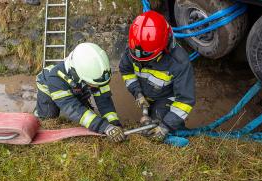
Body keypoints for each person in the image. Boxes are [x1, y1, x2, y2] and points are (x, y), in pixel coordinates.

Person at [119, 11, 195, 142]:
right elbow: (126, 70)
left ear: (164, 48)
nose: (141, 63)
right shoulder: (136, 48)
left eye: (148, 60)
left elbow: (185, 101)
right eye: (137, 59)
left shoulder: (178, 62)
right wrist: (138, 94)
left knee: (156, 126)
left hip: (166, 98)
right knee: (148, 126)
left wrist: (166, 126)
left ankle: (172, 129)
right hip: (145, 93)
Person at [35, 43, 126, 142]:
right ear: (77, 75)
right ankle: (38, 119)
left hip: (77, 86)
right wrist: (105, 127)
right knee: (49, 118)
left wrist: (114, 124)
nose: (95, 88)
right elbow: (73, 109)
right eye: (92, 85)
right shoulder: (55, 78)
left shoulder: (96, 74)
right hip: (47, 86)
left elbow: (104, 101)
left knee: (85, 117)